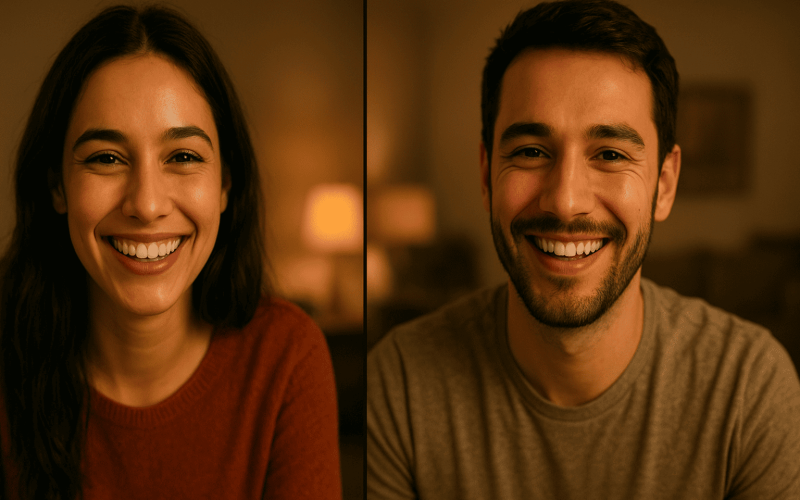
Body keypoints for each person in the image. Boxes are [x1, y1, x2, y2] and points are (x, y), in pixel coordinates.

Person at [367, 1, 800, 498]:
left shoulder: (750, 391)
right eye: (531, 152)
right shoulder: (398, 385)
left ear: (664, 184)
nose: (566, 201)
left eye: (610, 154)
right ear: (487, 176)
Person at [0, 5, 341, 499]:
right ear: (58, 186)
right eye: (106, 158)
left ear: (225, 184)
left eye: (182, 156)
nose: (146, 204)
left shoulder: (286, 358)